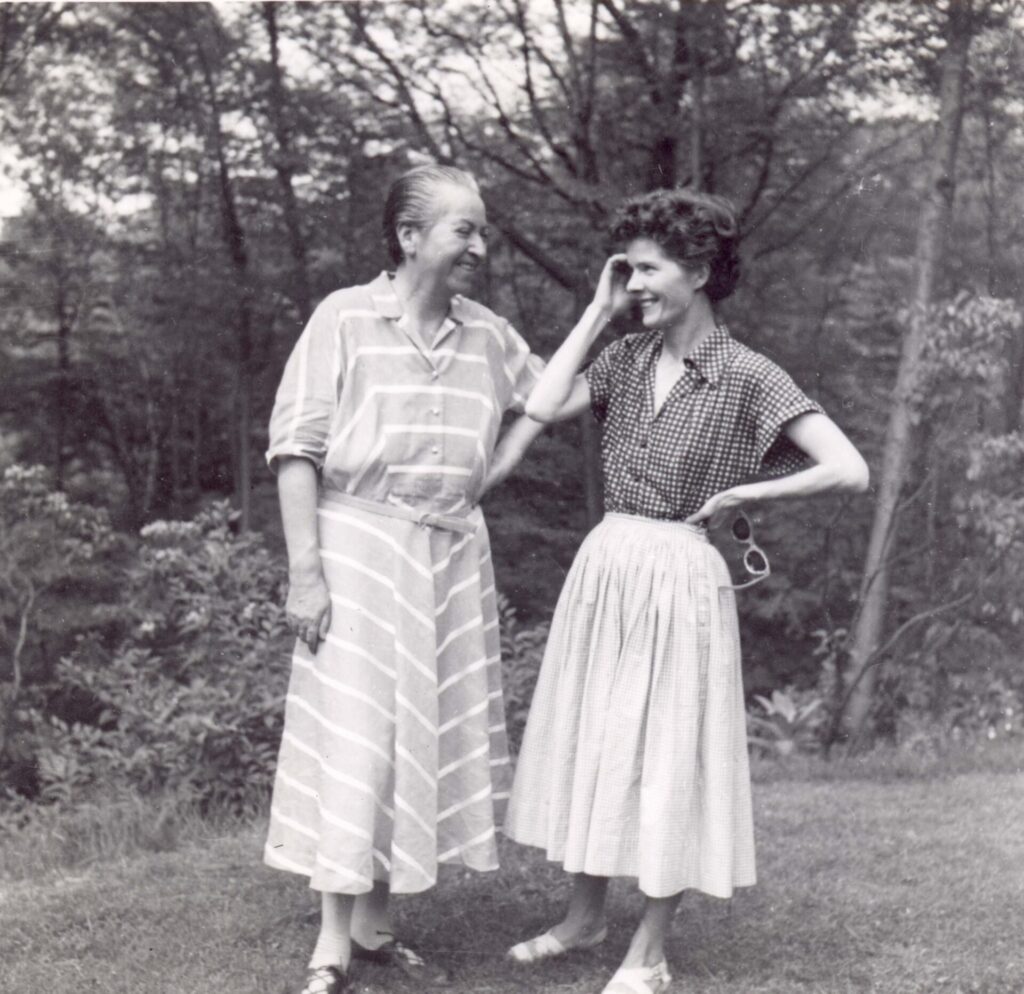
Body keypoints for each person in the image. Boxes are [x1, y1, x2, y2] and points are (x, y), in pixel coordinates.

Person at [504, 188, 869, 994]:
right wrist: (598, 312)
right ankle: (583, 916)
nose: (633, 282)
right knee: (597, 738)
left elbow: (849, 467)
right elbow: (537, 403)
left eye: (647, 269)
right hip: (609, 564)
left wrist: (748, 496)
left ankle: (650, 951)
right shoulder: (626, 357)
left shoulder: (746, 374)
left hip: (681, 570)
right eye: (626, 269)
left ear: (698, 272)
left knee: (667, 751)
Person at [263, 163, 545, 994]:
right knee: (357, 732)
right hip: (355, 547)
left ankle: (378, 927)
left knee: (415, 729)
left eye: (483, 230)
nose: (481, 247)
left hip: (450, 556)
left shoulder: (488, 334)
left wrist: (490, 471)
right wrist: (305, 575)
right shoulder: (344, 318)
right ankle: (330, 945)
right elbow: (296, 450)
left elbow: (546, 398)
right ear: (409, 236)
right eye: (466, 230)